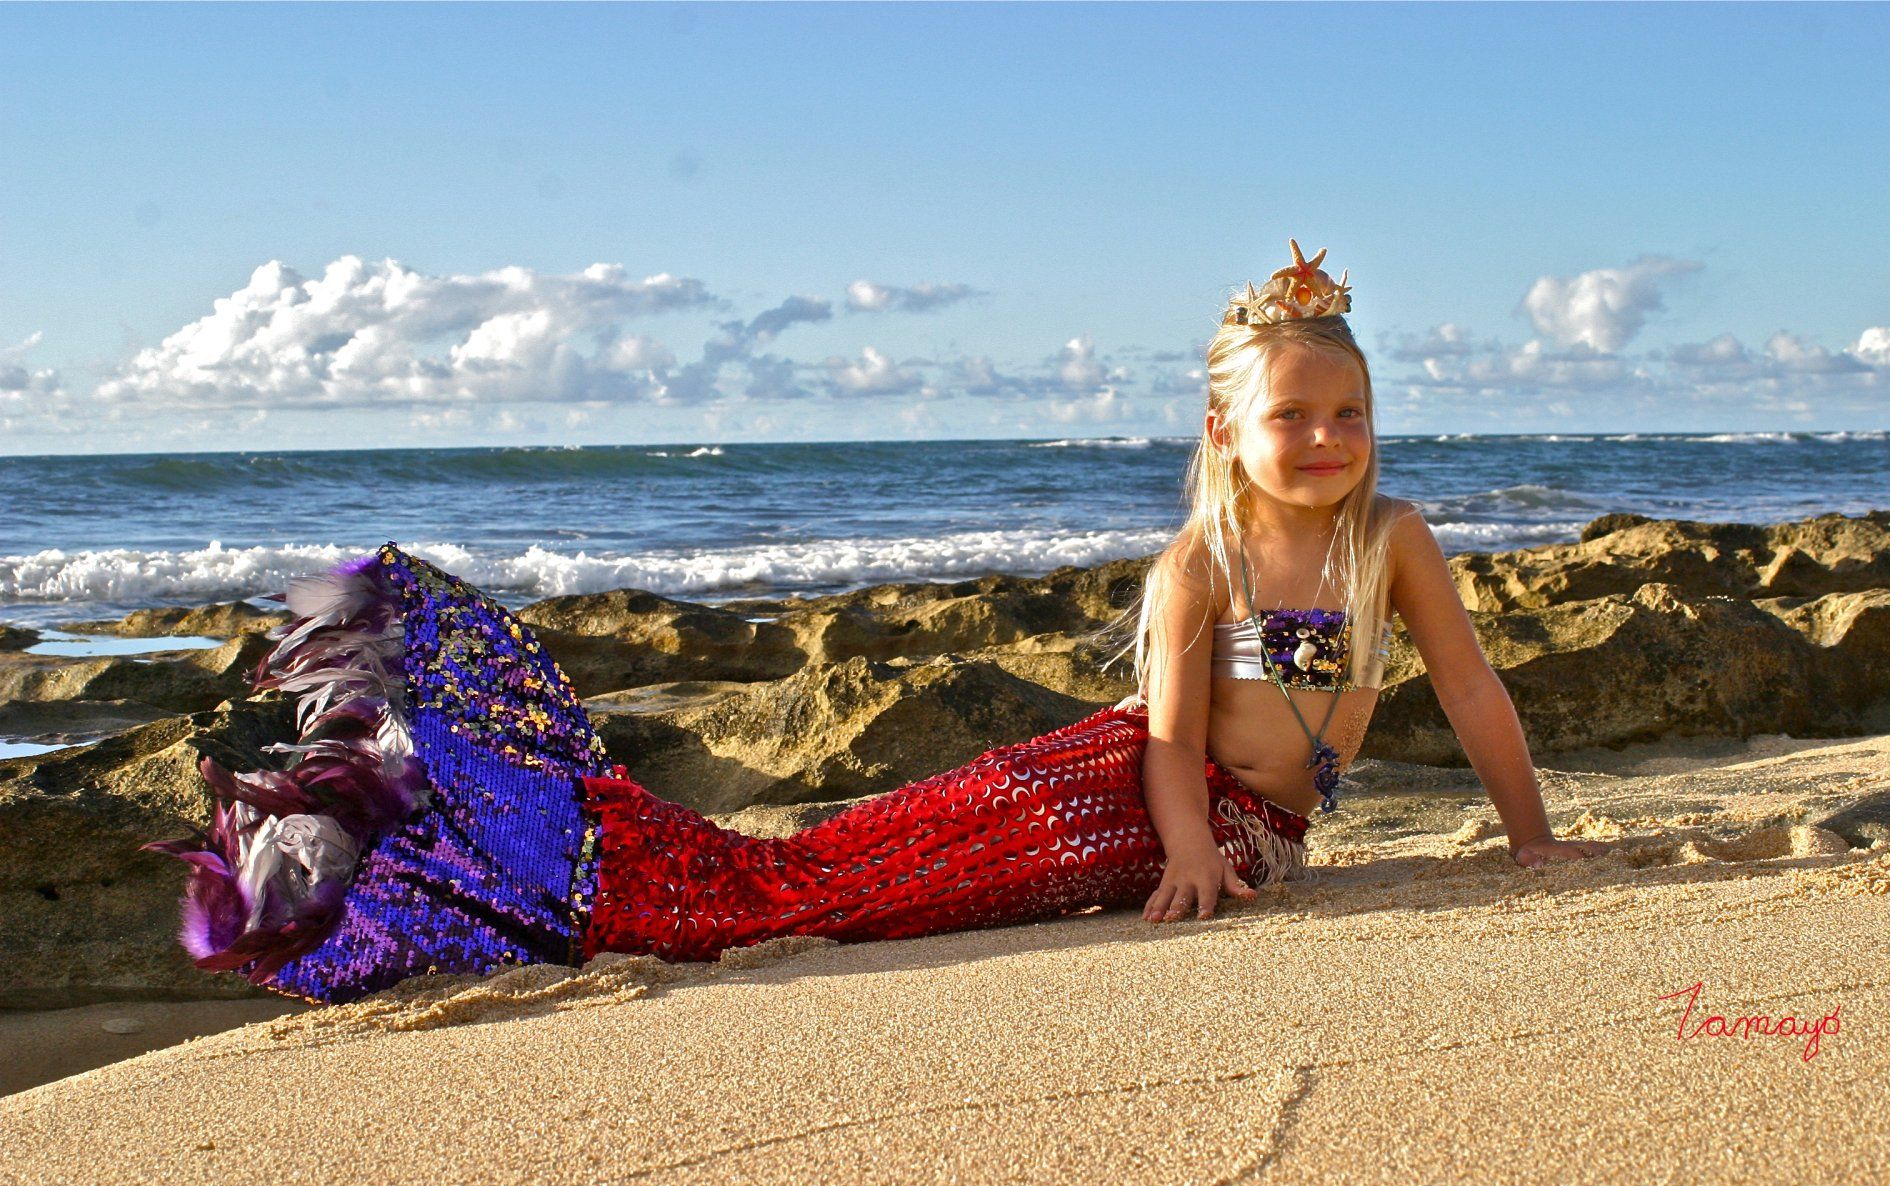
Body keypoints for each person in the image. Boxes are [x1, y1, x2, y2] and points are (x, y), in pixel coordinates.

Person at [144, 240, 1612, 1006]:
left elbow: (1475, 693)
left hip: (1252, 828)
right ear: (1228, 431)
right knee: (809, 889)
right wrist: (1183, 851)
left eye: (1351, 412)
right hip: (1123, 799)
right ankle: (483, 843)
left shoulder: (1393, 540)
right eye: (1294, 415)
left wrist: (1531, 837)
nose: (1330, 438)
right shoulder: (1201, 566)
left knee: (816, 885)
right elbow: (1170, 742)